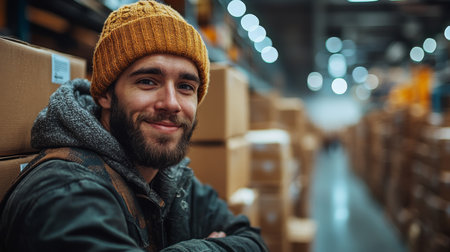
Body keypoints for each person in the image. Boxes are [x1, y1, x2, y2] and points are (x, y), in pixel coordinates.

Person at [0, 1, 268, 251]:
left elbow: (253, 241)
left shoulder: (171, 180)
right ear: (105, 94)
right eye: (148, 81)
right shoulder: (65, 196)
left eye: (186, 87)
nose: (171, 103)